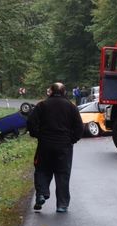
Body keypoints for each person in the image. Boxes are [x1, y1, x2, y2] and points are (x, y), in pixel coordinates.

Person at [27, 82, 83, 213]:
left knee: (41, 169)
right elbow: (79, 127)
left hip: (45, 145)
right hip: (64, 146)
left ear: (51, 91)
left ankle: (41, 193)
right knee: (63, 174)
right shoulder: (71, 107)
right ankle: (62, 205)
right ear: (64, 92)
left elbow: (30, 121)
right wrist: (72, 139)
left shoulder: (42, 105)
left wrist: (37, 134)